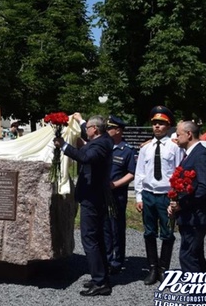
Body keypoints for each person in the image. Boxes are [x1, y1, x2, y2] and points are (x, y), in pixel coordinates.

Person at [54, 115, 114, 296]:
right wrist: (80, 121)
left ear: (95, 129)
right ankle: (101, 276)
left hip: (93, 198)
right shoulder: (103, 139)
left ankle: (100, 282)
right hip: (95, 196)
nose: (85, 130)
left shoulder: (101, 144)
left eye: (87, 127)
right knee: (97, 239)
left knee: (90, 239)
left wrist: (64, 145)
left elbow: (85, 157)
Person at [168, 121, 206, 306]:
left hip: (197, 215)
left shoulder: (202, 156)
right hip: (190, 214)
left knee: (187, 256)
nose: (175, 138)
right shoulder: (191, 155)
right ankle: (205, 297)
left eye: (178, 134)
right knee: (196, 255)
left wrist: (182, 203)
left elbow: (205, 187)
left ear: (189, 134)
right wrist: (175, 200)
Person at [134, 106, 184, 285]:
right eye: (154, 123)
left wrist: (175, 198)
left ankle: (164, 269)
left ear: (168, 126)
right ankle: (152, 268)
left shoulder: (174, 147)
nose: (157, 126)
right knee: (149, 233)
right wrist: (139, 196)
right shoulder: (145, 148)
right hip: (148, 194)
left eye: (161, 123)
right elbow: (140, 173)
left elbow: (179, 173)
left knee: (168, 233)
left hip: (166, 195)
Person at [104, 116, 136, 275]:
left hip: (117, 195)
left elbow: (132, 173)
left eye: (110, 128)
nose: (107, 130)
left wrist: (115, 184)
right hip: (103, 194)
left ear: (118, 130)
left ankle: (117, 260)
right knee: (105, 228)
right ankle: (107, 258)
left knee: (116, 228)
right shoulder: (105, 146)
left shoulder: (127, 150)